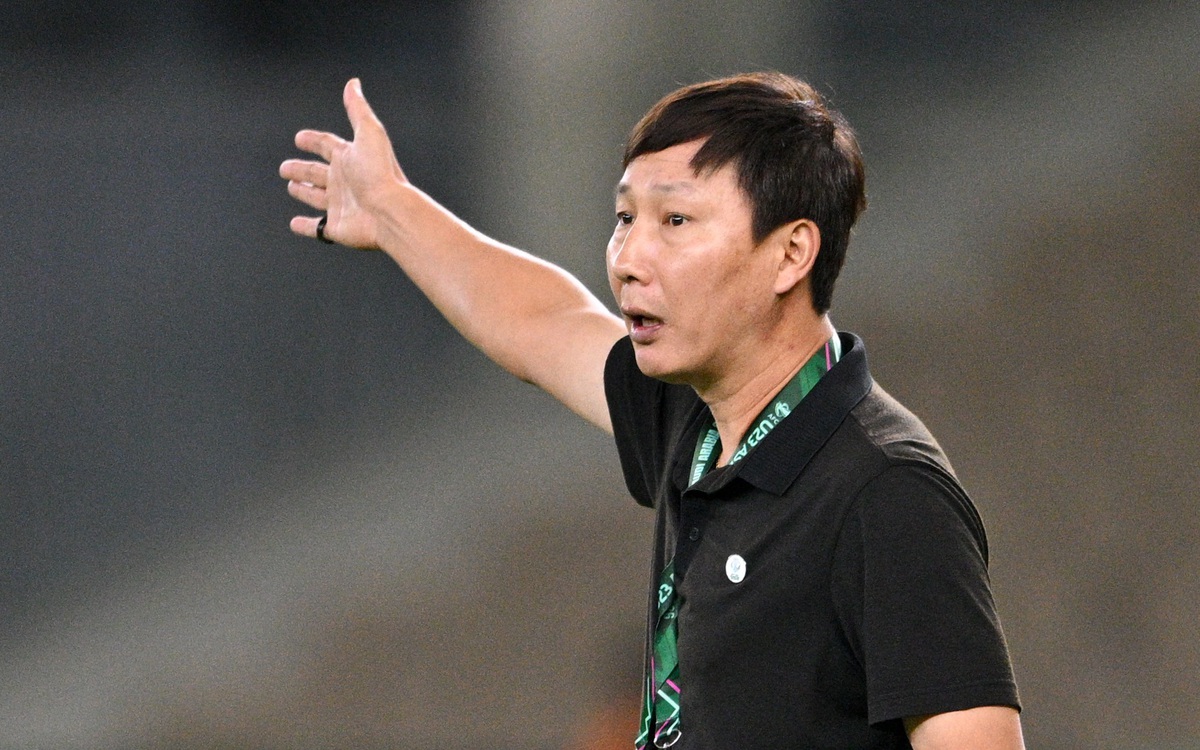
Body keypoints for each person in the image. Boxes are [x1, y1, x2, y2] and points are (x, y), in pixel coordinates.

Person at [279, 72, 1023, 750]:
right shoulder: (694, 417)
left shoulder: (886, 491)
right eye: (624, 217)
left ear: (792, 254)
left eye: (675, 221)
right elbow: (542, 322)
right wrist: (392, 209)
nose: (628, 259)